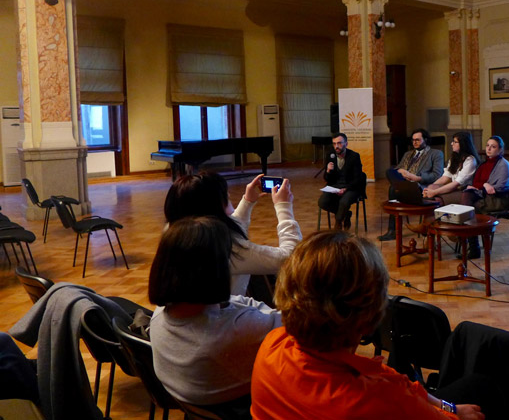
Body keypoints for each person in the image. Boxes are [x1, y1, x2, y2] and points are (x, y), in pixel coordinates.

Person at [250, 230, 485, 420]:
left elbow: (388, 378)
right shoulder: (379, 400)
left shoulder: (272, 344)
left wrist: (444, 404)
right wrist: (451, 411)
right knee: (482, 387)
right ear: (371, 314)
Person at [149, 216, 281, 417]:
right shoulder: (237, 330)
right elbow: (295, 322)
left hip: (200, 407)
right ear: (215, 270)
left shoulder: (160, 314)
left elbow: (235, 300)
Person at [164, 172, 301, 296]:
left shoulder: (176, 231)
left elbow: (231, 227)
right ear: (216, 208)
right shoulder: (224, 246)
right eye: (227, 198)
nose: (229, 198)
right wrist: (284, 207)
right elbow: (290, 258)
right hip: (223, 312)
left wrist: (247, 201)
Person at [378, 128, 444, 241]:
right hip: (405, 182)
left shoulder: (435, 154)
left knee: (393, 190)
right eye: (413, 140)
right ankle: (393, 230)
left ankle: (393, 230)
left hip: (420, 185)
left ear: (425, 140)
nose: (414, 142)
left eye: (417, 140)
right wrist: (401, 172)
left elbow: (436, 175)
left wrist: (417, 178)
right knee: (390, 172)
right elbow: (398, 168)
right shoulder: (408, 154)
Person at [460, 136, 509, 259]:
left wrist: (482, 186)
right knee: (464, 201)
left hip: (496, 200)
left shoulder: (503, 165)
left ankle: (470, 244)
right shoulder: (484, 164)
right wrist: (483, 185)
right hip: (482, 195)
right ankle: (469, 242)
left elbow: (499, 188)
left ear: (500, 150)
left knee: (468, 207)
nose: (489, 149)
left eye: (493, 147)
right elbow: (476, 182)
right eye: (487, 145)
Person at [318, 133, 365, 230]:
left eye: (339, 143)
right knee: (323, 202)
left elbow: (358, 178)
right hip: (335, 186)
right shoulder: (330, 156)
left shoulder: (354, 156)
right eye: (334, 144)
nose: (336, 146)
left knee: (344, 201)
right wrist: (328, 171)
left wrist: (346, 188)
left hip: (351, 187)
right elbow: (327, 179)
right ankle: (346, 214)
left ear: (346, 144)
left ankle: (338, 223)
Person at [422, 132, 480, 205]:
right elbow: (445, 178)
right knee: (431, 187)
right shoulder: (454, 157)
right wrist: (428, 190)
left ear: (463, 144)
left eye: (455, 142)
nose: (451, 144)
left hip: (463, 191)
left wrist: (434, 192)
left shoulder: (470, 160)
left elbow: (456, 184)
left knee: (436, 199)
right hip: (453, 188)